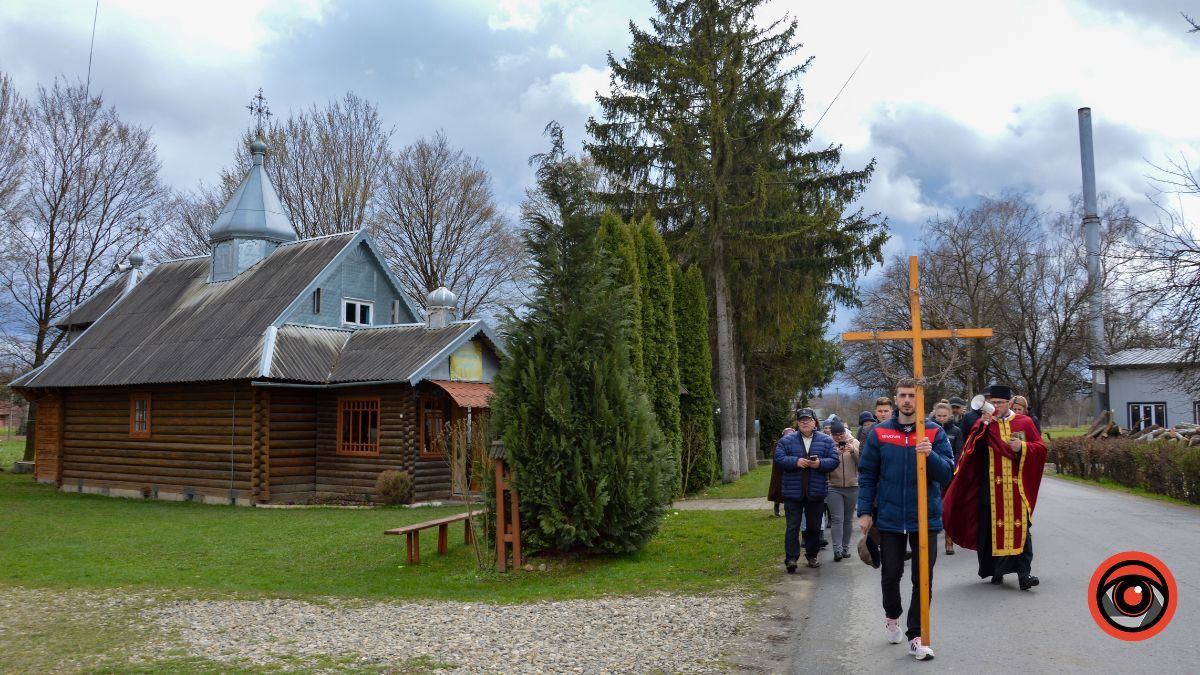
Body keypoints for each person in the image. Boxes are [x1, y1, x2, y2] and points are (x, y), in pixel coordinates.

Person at [857, 378, 955, 661]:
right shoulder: (880, 433)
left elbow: (947, 473)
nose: (908, 400)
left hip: (925, 518)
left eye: (912, 395)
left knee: (923, 578)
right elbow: (867, 474)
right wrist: (864, 511)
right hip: (888, 517)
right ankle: (891, 616)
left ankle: (917, 636)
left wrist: (930, 454)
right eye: (903, 395)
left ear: (920, 399)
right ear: (895, 399)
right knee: (890, 574)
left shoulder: (934, 432)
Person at [943, 384, 1048, 591]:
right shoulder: (983, 424)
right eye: (993, 403)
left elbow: (1041, 448)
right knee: (990, 531)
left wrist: (1023, 447)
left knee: (1022, 530)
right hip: (989, 488)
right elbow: (970, 452)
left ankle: (1024, 574)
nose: (996, 406)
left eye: (1000, 403)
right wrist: (982, 427)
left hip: (1017, 489)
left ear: (1009, 403)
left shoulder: (1024, 422)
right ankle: (996, 571)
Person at [775, 407, 839, 571]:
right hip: (792, 491)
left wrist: (819, 464)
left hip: (816, 491)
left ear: (814, 422)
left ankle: (812, 555)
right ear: (797, 423)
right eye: (802, 420)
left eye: (808, 420)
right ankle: (791, 558)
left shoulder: (826, 440)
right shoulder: (786, 441)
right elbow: (779, 459)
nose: (805, 422)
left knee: (813, 527)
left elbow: (834, 461)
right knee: (792, 527)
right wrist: (795, 461)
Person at [825, 419, 860, 562]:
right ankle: (837, 550)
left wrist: (853, 451)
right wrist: (837, 454)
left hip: (852, 486)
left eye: (841, 434)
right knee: (837, 519)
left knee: (848, 519)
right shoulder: (827, 444)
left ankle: (845, 548)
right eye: (835, 435)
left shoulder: (855, 442)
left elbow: (861, 462)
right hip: (833, 486)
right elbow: (826, 465)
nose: (839, 437)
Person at [930, 402, 963, 555]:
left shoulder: (956, 431)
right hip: (933, 475)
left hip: (949, 473)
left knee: (949, 508)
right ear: (934, 415)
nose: (942, 419)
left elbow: (958, 452)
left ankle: (949, 543)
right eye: (939, 416)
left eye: (944, 416)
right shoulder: (929, 430)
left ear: (950, 415)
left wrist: (951, 468)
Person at [768, 426, 796, 517]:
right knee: (778, 490)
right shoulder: (779, 444)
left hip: (792, 470)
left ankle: (789, 510)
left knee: (791, 491)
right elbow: (777, 458)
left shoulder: (796, 444)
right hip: (779, 471)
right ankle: (777, 508)